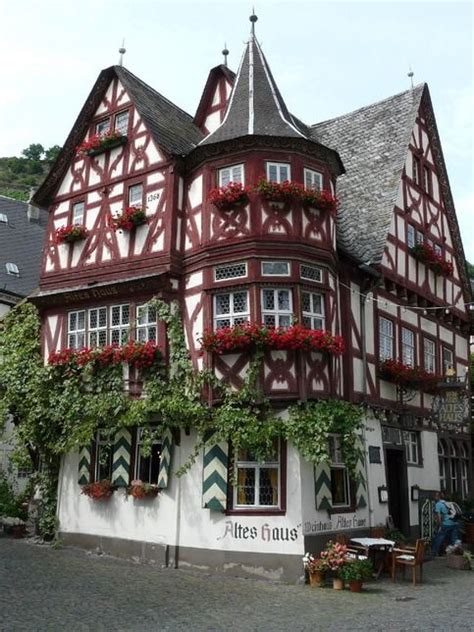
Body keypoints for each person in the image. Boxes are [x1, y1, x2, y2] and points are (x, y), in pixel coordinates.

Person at [431, 491, 460, 556]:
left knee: (439, 537)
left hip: (446, 524)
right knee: (454, 539)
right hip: (454, 523)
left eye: (435, 496)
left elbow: (438, 516)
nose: (434, 497)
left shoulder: (438, 504)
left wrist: (440, 524)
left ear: (438, 497)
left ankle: (435, 552)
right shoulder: (447, 503)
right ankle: (456, 553)